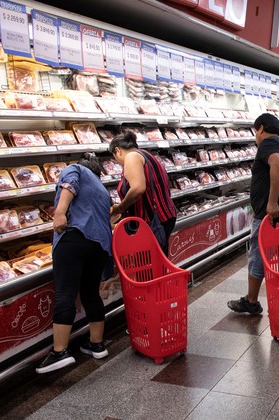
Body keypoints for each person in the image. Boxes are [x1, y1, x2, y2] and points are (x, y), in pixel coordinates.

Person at [36, 153, 113, 374]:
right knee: (91, 293)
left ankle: (60, 352)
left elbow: (69, 183)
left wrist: (60, 213)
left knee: (66, 294)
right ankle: (96, 344)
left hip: (74, 237)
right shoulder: (101, 188)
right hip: (99, 244)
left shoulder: (76, 169)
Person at [227, 113, 279, 314]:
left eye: (255, 131)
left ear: (260, 129)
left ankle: (251, 301)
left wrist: (272, 202)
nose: (255, 136)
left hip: (271, 217)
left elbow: (278, 164)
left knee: (258, 256)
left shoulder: (267, 143)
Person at [109, 132, 177, 255]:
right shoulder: (146, 155)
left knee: (150, 261)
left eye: (115, 158)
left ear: (118, 151)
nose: (118, 162)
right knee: (159, 258)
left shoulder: (132, 157)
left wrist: (120, 208)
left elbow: (138, 189)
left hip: (151, 221)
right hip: (164, 216)